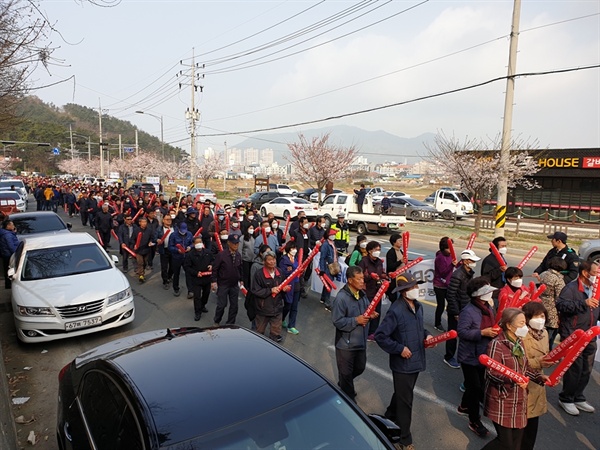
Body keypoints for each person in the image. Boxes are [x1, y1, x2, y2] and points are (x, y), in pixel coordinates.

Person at [375, 271, 434, 450]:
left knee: (402, 394)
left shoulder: (418, 306)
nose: (416, 289)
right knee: (406, 401)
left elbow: (418, 329)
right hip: (402, 364)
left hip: (416, 360)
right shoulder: (396, 310)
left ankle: (390, 415)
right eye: (412, 287)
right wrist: (399, 349)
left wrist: (427, 336)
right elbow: (381, 336)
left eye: (416, 286)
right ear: (402, 291)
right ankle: (404, 439)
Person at [482, 308, 546, 450]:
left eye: (525, 323)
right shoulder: (496, 345)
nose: (525, 327)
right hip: (503, 399)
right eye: (522, 323)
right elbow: (492, 373)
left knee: (517, 442)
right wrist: (513, 379)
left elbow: (525, 368)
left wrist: (539, 377)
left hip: (519, 400)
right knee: (504, 443)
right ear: (509, 326)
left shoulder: (519, 342)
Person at [555, 260, 599, 416]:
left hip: (590, 335)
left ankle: (578, 396)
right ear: (585, 273)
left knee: (586, 369)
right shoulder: (571, 288)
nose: (597, 276)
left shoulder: (595, 289)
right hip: (573, 334)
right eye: (595, 273)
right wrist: (583, 303)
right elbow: (561, 305)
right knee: (575, 368)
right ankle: (566, 398)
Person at [456, 277, 498, 438]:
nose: (491, 294)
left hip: (484, 354)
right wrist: (482, 332)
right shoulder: (468, 311)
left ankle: (464, 406)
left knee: (475, 385)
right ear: (478, 295)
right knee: (476, 389)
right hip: (470, 357)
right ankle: (474, 421)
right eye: (487, 292)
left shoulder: (488, 307)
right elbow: (462, 332)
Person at [332, 265, 379, 401]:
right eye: (358, 279)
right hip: (345, 344)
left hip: (360, 341)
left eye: (363, 278)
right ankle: (349, 399)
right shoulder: (341, 298)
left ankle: (344, 384)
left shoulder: (362, 295)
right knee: (346, 374)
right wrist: (356, 320)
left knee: (360, 368)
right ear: (350, 280)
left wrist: (370, 314)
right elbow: (337, 321)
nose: (362, 281)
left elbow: (365, 310)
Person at [521, 302, 553, 450]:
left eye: (542, 316)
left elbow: (546, 354)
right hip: (523, 384)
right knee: (516, 432)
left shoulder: (544, 333)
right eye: (536, 316)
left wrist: (550, 360)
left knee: (531, 431)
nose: (540, 319)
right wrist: (538, 362)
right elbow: (518, 362)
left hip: (537, 384)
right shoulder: (521, 334)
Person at [445, 249, 480, 369]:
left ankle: (464, 357)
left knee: (465, 334)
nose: (473, 262)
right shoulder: (458, 275)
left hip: (466, 309)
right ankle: (448, 357)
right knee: (453, 335)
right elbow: (451, 295)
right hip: (457, 310)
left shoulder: (469, 272)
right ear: (465, 261)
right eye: (472, 260)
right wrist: (455, 312)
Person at [252, 250, 289, 342]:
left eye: (274, 259)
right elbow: (255, 291)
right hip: (263, 309)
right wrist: (270, 290)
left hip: (277, 308)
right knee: (259, 332)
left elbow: (283, 286)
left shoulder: (279, 272)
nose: (272, 262)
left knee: (275, 334)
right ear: (264, 262)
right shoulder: (259, 274)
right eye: (269, 260)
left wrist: (284, 289)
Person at [211, 234, 243, 325]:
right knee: (221, 305)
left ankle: (230, 323)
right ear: (229, 243)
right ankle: (217, 320)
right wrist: (214, 281)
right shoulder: (221, 255)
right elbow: (215, 268)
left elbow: (240, 268)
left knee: (234, 306)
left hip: (234, 285)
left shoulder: (238, 255)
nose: (235, 245)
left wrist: (241, 279)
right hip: (223, 284)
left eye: (237, 243)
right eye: (234, 243)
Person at [359, 241, 387, 341]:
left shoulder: (379, 261)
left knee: (377, 312)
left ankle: (372, 332)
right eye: (376, 250)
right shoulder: (364, 261)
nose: (377, 252)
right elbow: (359, 275)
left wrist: (386, 276)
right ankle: (362, 330)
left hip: (377, 291)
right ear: (370, 251)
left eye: (379, 250)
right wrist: (370, 276)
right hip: (366, 291)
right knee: (367, 311)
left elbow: (382, 273)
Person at [538, 257, 567, 349]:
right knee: (550, 335)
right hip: (552, 309)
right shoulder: (558, 280)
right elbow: (560, 297)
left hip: (540, 304)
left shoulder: (543, 274)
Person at [183, 236, 214, 321]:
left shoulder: (207, 252)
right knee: (197, 296)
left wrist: (211, 265)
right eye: (197, 243)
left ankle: (203, 305)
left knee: (206, 293)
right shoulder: (190, 255)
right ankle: (197, 312)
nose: (199, 244)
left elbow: (213, 260)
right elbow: (187, 267)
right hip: (196, 279)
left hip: (207, 278)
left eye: (200, 242)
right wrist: (196, 273)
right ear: (193, 244)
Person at [433, 237, 457, 332]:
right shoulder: (440, 258)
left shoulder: (450, 255)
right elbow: (443, 272)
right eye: (449, 248)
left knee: (452, 303)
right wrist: (452, 265)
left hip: (448, 284)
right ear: (444, 248)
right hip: (439, 285)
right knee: (441, 305)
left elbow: (455, 266)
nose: (452, 250)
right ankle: (437, 323)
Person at [279, 241, 301, 335]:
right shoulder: (284, 260)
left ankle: (291, 326)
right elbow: (282, 273)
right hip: (288, 285)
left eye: (295, 248)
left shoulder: (296, 258)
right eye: (292, 248)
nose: (294, 250)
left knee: (294, 307)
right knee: (288, 304)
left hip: (296, 284)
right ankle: (282, 318)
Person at [168, 222, 193, 297]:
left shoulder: (189, 234)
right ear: (178, 229)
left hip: (186, 257)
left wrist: (190, 247)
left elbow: (192, 243)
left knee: (188, 274)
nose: (183, 232)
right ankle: (176, 289)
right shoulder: (173, 235)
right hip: (176, 257)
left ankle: (190, 290)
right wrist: (177, 250)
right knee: (176, 274)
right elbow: (170, 247)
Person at [319, 229, 339, 311]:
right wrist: (322, 269)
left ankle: (323, 298)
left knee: (327, 283)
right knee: (329, 284)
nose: (334, 236)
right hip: (328, 267)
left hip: (333, 265)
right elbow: (322, 258)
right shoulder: (325, 245)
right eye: (333, 234)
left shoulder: (332, 243)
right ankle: (327, 302)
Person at [133, 217, 156, 284]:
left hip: (146, 249)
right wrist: (134, 245)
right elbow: (132, 239)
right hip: (139, 250)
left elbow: (152, 237)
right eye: (142, 222)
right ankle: (141, 276)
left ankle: (141, 271)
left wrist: (150, 242)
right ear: (140, 223)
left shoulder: (149, 230)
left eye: (145, 222)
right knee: (140, 263)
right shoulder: (136, 230)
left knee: (145, 263)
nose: (144, 224)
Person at [155, 213, 174, 290]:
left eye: (170, 219)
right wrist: (157, 240)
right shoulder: (159, 229)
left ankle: (169, 277)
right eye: (167, 219)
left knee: (173, 266)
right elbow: (154, 238)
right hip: (164, 250)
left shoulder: (174, 228)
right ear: (163, 220)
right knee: (164, 267)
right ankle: (165, 281)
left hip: (173, 250)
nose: (169, 221)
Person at [0, 220, 19, 289]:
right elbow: (11, 246)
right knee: (10, 271)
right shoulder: (7, 235)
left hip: (5, 254)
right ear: (8, 226)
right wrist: (16, 253)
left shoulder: (7, 234)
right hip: (9, 255)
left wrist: (14, 233)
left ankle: (8, 284)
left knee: (7, 270)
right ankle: (9, 285)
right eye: (12, 225)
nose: (13, 226)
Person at [386, 233, 404, 302]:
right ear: (394, 242)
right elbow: (390, 266)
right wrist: (400, 261)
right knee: (395, 300)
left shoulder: (400, 251)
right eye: (399, 241)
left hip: (402, 278)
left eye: (402, 241)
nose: (401, 243)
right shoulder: (391, 252)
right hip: (395, 280)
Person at [240, 224, 256, 288]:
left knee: (251, 274)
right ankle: (246, 287)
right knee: (246, 275)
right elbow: (240, 249)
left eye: (253, 228)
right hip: (245, 259)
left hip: (252, 259)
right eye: (250, 228)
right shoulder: (242, 238)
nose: (252, 230)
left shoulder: (253, 238)